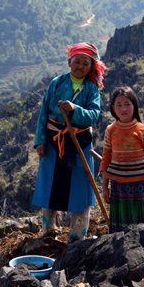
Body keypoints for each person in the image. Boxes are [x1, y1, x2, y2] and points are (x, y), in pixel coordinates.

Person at [32, 42, 106, 243]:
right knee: (50, 185)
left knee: (80, 188)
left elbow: (93, 115)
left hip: (78, 143)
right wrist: (40, 142)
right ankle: (49, 231)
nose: (80, 66)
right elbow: (44, 113)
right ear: (69, 62)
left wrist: (74, 109)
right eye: (77, 61)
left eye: (85, 63)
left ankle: (76, 236)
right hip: (53, 142)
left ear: (91, 67)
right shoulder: (56, 83)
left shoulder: (91, 89)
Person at [100, 86, 144, 236]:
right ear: (113, 108)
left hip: (139, 185)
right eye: (119, 105)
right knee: (121, 225)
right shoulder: (110, 130)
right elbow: (105, 159)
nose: (123, 108)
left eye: (127, 104)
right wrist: (105, 187)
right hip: (118, 185)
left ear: (134, 105)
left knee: (140, 221)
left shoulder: (142, 130)